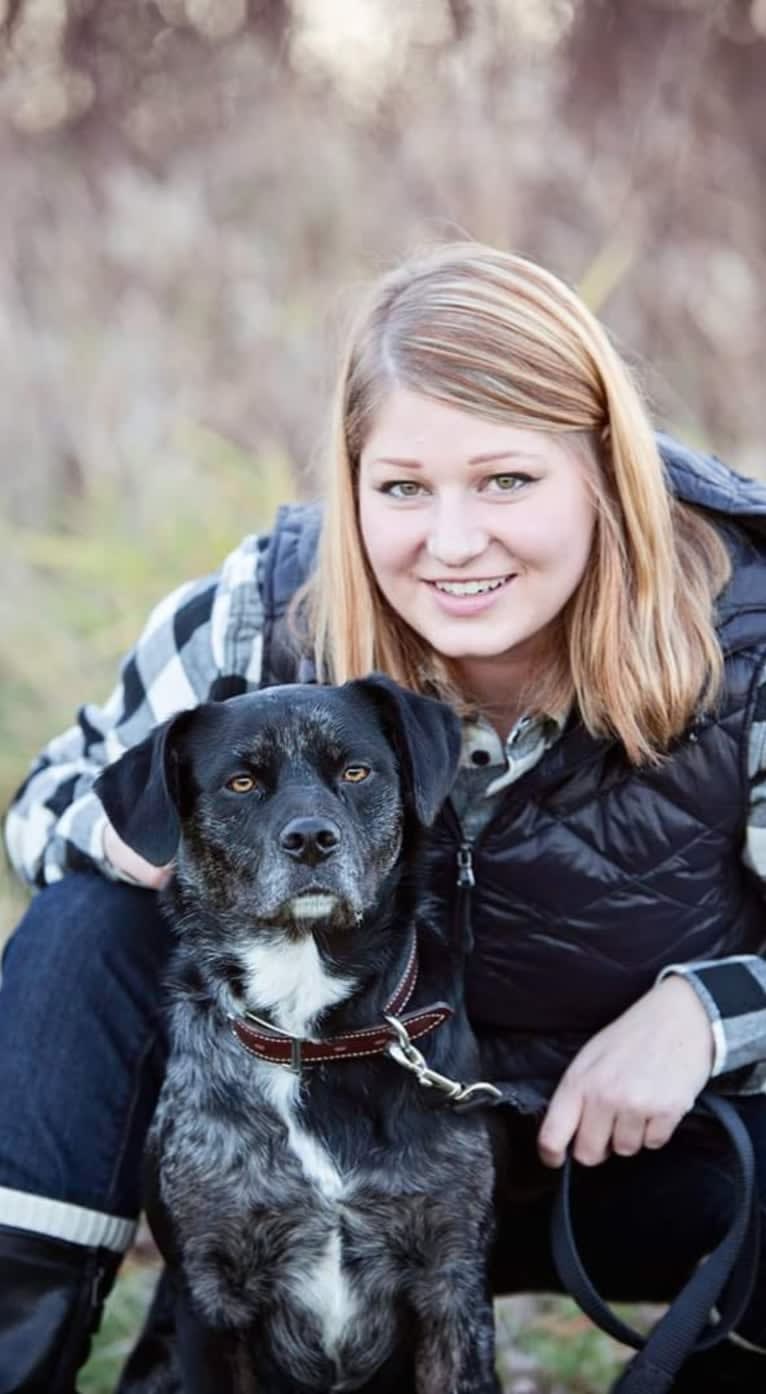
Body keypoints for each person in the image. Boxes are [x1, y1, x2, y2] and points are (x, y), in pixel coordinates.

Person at [2, 240, 766, 1394]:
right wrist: (149, 825)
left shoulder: (747, 636)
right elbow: (46, 805)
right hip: (281, 1136)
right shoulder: (260, 613)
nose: (453, 542)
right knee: (83, 920)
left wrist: (707, 1009)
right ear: (352, 484)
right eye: (403, 487)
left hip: (610, 1159)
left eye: (506, 480)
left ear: (606, 471)